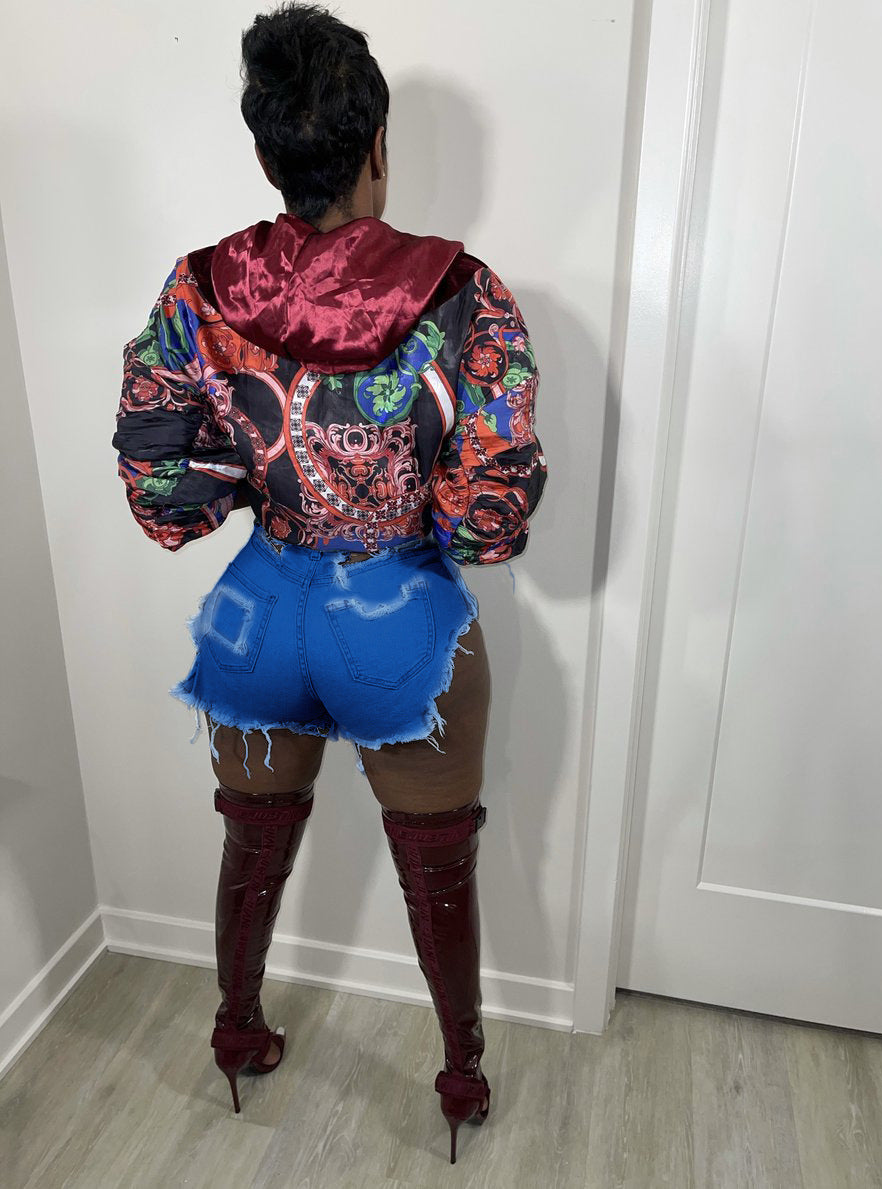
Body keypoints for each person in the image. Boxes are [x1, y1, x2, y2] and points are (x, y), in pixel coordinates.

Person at [112, 1, 547, 1165]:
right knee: (440, 866)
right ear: (378, 147)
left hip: (261, 612)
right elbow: (491, 515)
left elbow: (159, 483)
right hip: (403, 623)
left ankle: (236, 1030)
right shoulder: (464, 292)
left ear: (267, 156)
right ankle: (459, 1077)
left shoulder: (199, 287)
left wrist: (254, 485)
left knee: (250, 844)